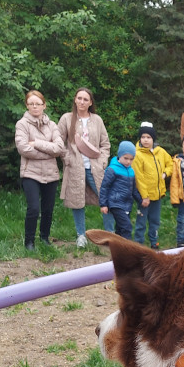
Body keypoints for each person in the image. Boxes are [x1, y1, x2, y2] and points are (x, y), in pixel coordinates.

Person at [58, 87, 110, 247]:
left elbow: (105, 144)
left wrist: (102, 161)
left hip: (95, 168)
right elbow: (58, 142)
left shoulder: (97, 120)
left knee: (106, 199)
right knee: (77, 201)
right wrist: (67, 158)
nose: (82, 102)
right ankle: (81, 235)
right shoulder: (67, 118)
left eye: (85, 99)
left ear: (90, 103)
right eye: (79, 98)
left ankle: (110, 235)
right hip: (75, 167)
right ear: (75, 100)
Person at [15, 90, 65, 250]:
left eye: (38, 103)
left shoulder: (52, 125)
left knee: (48, 209)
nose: (35, 106)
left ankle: (44, 237)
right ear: (27, 105)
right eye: (31, 104)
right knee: (34, 208)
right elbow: (23, 149)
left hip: (51, 174)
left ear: (44, 105)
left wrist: (36, 143)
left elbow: (59, 148)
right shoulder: (22, 124)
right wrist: (49, 152)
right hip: (30, 173)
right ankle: (29, 242)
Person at [132, 122, 173, 248]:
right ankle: (138, 244)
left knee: (155, 221)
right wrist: (144, 196)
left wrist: (165, 173)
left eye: (148, 137)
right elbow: (139, 178)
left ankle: (154, 242)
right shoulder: (137, 154)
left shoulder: (160, 152)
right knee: (141, 221)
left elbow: (170, 163)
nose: (145, 140)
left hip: (157, 195)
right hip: (145, 196)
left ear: (153, 138)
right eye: (143, 137)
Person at [99, 141, 140, 239]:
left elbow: (133, 189)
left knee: (120, 229)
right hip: (115, 203)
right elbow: (104, 187)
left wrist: (141, 200)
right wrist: (103, 204)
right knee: (127, 227)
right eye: (126, 158)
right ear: (120, 155)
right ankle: (128, 247)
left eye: (131, 159)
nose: (128, 162)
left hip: (127, 204)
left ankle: (116, 245)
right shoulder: (112, 169)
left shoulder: (131, 171)